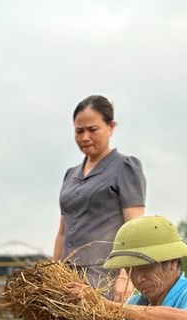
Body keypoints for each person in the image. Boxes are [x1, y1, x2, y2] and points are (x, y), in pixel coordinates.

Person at [53, 94, 146, 301]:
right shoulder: (71, 175)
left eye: (92, 130)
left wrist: (126, 276)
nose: (85, 137)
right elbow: (62, 232)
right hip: (67, 277)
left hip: (103, 276)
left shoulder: (125, 167)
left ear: (111, 127)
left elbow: (135, 227)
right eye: (79, 131)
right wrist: (53, 272)